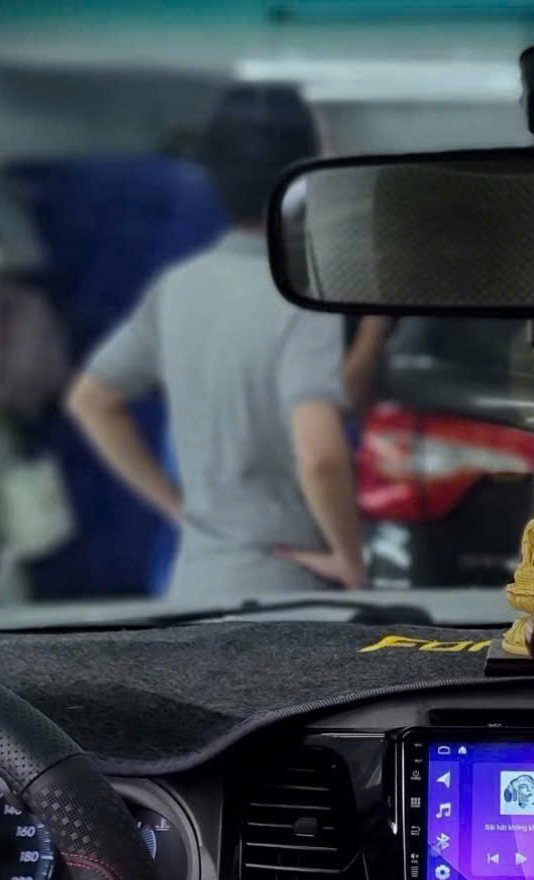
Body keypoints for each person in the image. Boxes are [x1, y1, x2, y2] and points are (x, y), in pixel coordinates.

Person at [65, 86, 364, 602]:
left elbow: (90, 399)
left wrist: (178, 509)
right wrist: (350, 558)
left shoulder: (177, 287)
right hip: (288, 591)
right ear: (304, 173)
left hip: (194, 586)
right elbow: (320, 455)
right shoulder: (304, 293)